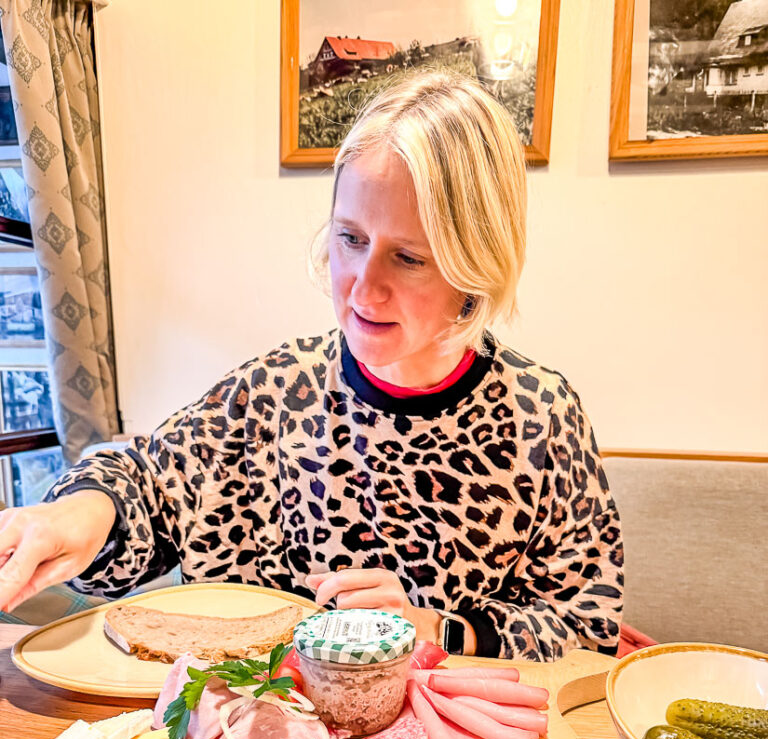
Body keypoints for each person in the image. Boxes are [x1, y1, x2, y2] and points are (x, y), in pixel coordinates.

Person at [0, 70, 623, 660]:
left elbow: (585, 627)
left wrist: (442, 630)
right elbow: (150, 484)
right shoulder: (272, 391)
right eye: (351, 240)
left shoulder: (540, 417)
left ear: (476, 265)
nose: (361, 290)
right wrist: (73, 514)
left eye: (408, 258)